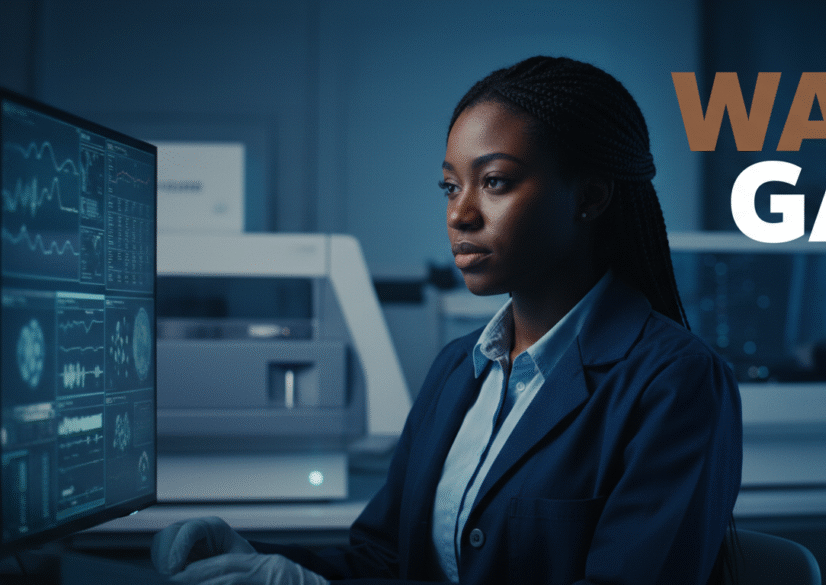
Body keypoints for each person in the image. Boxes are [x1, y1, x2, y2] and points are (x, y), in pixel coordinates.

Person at [151, 55, 742, 585]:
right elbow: (384, 563)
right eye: (449, 186)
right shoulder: (459, 369)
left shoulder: (676, 383)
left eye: (495, 182)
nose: (460, 214)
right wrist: (259, 564)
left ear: (589, 198)